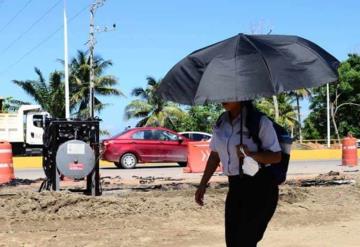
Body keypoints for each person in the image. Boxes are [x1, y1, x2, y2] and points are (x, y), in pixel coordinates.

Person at [195, 101, 282, 247]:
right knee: (232, 240)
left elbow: (276, 156)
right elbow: (215, 156)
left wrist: (251, 154)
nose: (224, 98)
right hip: (235, 186)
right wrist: (203, 185)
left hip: (261, 186)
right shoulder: (221, 122)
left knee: (246, 240)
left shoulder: (259, 121)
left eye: (229, 93)